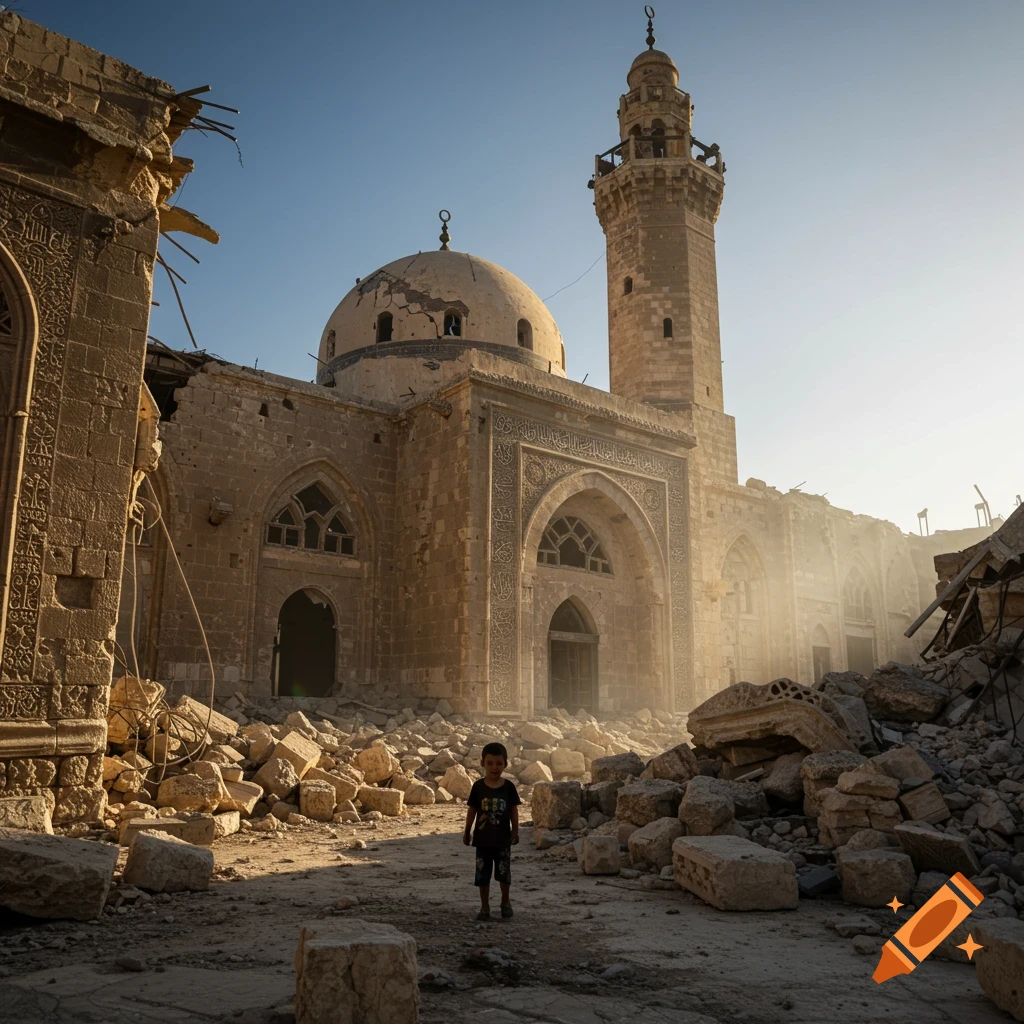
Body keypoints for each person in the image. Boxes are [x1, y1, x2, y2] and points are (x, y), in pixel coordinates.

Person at [463, 741, 521, 920]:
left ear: (505, 764)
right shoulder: (478, 787)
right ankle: (485, 907)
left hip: (502, 840)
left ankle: (505, 902)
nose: (494, 767)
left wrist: (515, 831)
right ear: (482, 763)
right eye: (490, 763)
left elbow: (513, 810)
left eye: (499, 763)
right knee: (482, 875)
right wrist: (467, 830)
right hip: (482, 841)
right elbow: (472, 810)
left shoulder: (508, 787)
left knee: (504, 874)